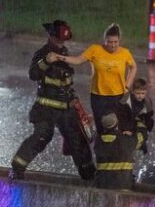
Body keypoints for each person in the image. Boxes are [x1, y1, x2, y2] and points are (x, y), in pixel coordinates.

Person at [11, 20, 96, 181]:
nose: (60, 42)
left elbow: (66, 84)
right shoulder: (42, 53)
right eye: (58, 39)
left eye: (63, 40)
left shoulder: (65, 53)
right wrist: (45, 62)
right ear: (51, 36)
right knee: (42, 135)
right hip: (46, 108)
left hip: (67, 108)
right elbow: (33, 74)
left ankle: (89, 176)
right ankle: (17, 169)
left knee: (78, 141)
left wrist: (76, 105)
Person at [49, 23, 137, 133]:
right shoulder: (95, 50)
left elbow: (133, 67)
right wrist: (58, 57)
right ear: (105, 40)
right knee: (101, 128)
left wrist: (127, 86)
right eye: (110, 42)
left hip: (118, 97)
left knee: (116, 127)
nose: (113, 45)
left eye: (116, 42)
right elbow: (77, 60)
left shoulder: (125, 53)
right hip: (98, 97)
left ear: (119, 41)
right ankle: (99, 143)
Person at [93, 113, 137, 190]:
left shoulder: (98, 141)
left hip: (104, 184)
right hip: (123, 184)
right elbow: (136, 142)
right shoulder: (125, 139)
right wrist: (129, 136)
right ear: (117, 124)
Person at [129, 77, 154, 154]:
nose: (140, 96)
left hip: (141, 121)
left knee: (143, 132)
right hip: (130, 120)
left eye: (143, 93)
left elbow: (149, 115)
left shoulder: (147, 102)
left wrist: (148, 126)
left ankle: (142, 143)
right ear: (133, 92)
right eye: (138, 93)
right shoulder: (129, 100)